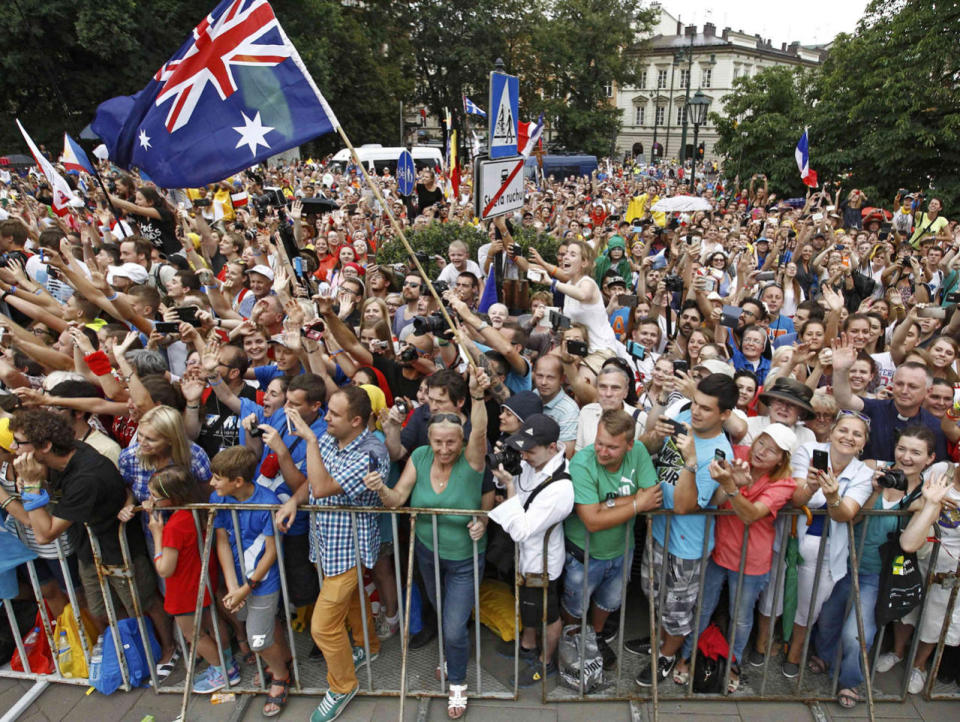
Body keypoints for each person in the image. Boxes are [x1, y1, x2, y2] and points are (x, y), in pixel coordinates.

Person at [10, 409, 177, 678]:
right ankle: (133, 652)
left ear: (45, 446)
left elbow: (44, 533)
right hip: (89, 546)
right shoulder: (64, 459)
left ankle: (169, 648)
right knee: (102, 608)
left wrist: (30, 485)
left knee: (143, 603)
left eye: (19, 442)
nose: (12, 448)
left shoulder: (86, 476)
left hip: (118, 547)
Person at [373, 368, 492, 719]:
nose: (443, 449)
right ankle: (452, 655)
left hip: (464, 559)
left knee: (454, 625)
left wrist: (478, 396)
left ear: (462, 441)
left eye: (451, 442)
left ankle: (457, 683)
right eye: (437, 442)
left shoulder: (473, 460)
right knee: (443, 614)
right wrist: (380, 488)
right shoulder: (421, 456)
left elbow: (481, 430)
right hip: (426, 552)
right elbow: (397, 499)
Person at [275, 386, 387, 722]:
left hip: (349, 548)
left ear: (356, 420)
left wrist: (309, 441)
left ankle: (342, 686)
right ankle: (368, 646)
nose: (325, 418)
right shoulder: (331, 438)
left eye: (333, 414)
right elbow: (311, 481)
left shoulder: (371, 451)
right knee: (352, 603)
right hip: (325, 542)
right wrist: (295, 502)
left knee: (323, 627)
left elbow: (323, 487)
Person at [810, 425, 933, 708]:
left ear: (929, 458)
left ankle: (851, 681)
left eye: (916, 452)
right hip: (844, 561)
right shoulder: (873, 475)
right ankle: (826, 657)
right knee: (828, 616)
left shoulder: (924, 495)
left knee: (857, 632)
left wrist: (925, 506)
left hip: (877, 574)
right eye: (902, 449)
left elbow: (911, 542)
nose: (906, 457)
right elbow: (852, 519)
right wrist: (875, 489)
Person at [671, 424, 798, 691]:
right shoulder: (736, 452)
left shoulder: (784, 483)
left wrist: (731, 487)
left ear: (782, 459)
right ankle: (686, 656)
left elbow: (751, 514)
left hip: (752, 561)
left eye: (771, 450)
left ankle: (733, 663)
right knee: (702, 608)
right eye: (761, 443)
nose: (761, 452)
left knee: (740, 618)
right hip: (718, 551)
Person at [632, 374, 737, 686]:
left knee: (676, 612)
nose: (696, 412)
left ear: (725, 415)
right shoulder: (681, 417)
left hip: (687, 546)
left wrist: (691, 461)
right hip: (659, 532)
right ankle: (658, 643)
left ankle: (666, 656)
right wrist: (655, 434)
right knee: (652, 595)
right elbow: (647, 447)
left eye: (706, 408)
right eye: (695, 403)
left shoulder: (720, 455)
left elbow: (684, 506)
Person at [564, 409, 661, 673]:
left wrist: (606, 504)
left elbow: (651, 496)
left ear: (629, 445)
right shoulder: (582, 463)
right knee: (574, 604)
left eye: (611, 447)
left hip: (621, 549)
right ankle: (573, 638)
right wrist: (635, 504)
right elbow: (592, 521)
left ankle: (595, 636)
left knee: (608, 602)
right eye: (599, 443)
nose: (602, 452)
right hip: (583, 552)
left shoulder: (639, 451)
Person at [779, 412, 874, 679]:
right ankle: (768, 646)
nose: (848, 437)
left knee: (810, 604)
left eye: (857, 434)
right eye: (843, 430)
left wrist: (832, 498)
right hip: (791, 539)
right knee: (774, 597)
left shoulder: (863, 473)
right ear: (831, 432)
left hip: (828, 547)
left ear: (863, 444)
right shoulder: (808, 451)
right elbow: (796, 499)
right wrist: (809, 488)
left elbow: (846, 514)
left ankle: (795, 651)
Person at [488, 415, 575, 687]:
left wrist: (510, 486)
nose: (524, 456)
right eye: (522, 450)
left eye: (530, 451)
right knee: (526, 602)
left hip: (542, 562)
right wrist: (507, 474)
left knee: (546, 613)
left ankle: (545, 662)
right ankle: (527, 645)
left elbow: (522, 528)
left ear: (552, 448)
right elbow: (519, 488)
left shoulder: (561, 487)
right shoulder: (533, 463)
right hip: (524, 557)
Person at [210, 446, 291, 718]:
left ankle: (281, 677)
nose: (212, 483)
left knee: (257, 640)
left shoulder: (266, 502)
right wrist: (234, 586)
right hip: (240, 580)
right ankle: (283, 658)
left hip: (263, 582)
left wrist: (248, 586)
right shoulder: (218, 497)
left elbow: (271, 551)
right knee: (264, 627)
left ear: (238, 481)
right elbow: (221, 541)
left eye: (217, 478)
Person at [146, 466, 238, 694]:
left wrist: (157, 534)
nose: (150, 500)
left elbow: (164, 569)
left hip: (184, 590)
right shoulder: (197, 512)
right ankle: (228, 664)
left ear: (171, 499)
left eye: (155, 496)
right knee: (212, 624)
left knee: (193, 634)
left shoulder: (174, 526)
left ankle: (221, 673)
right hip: (202, 583)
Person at [832, 334, 947, 461]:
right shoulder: (874, 408)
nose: (904, 391)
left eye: (912, 386)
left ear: (928, 391)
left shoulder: (935, 427)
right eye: (899, 384)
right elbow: (845, 400)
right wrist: (841, 371)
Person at [898, 465, 960, 693]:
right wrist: (930, 504)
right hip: (919, 553)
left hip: (952, 568)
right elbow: (908, 502)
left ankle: (919, 666)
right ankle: (897, 652)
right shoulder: (943, 470)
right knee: (906, 605)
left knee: (936, 616)